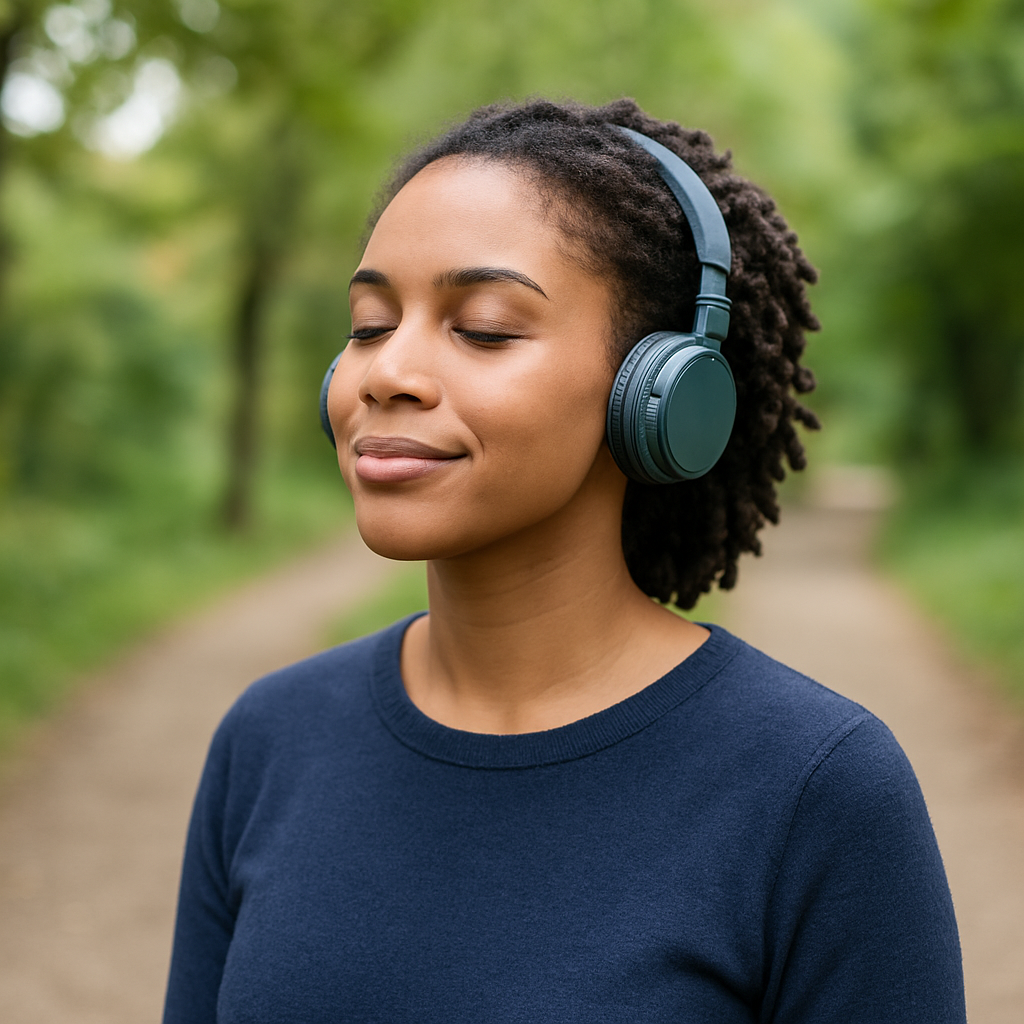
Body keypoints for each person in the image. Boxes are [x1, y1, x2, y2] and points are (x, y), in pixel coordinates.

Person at [163, 98, 965, 1023]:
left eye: (486, 327)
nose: (387, 372)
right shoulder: (268, 741)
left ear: (657, 391)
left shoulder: (817, 788)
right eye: (372, 323)